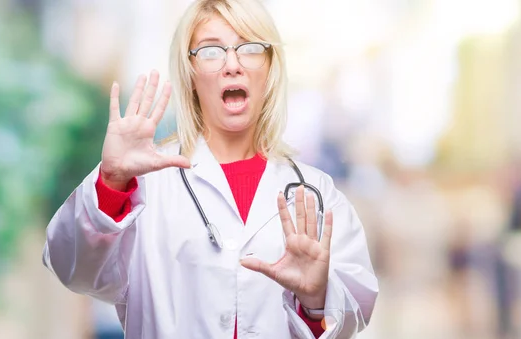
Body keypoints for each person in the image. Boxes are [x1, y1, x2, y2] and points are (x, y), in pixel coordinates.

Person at [42, 0, 378, 338]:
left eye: (249, 48)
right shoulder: (144, 186)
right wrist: (111, 182)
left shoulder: (317, 194)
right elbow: (71, 267)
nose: (232, 64)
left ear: (269, 68)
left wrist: (314, 300)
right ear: (190, 74)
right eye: (211, 51)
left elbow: (354, 310)